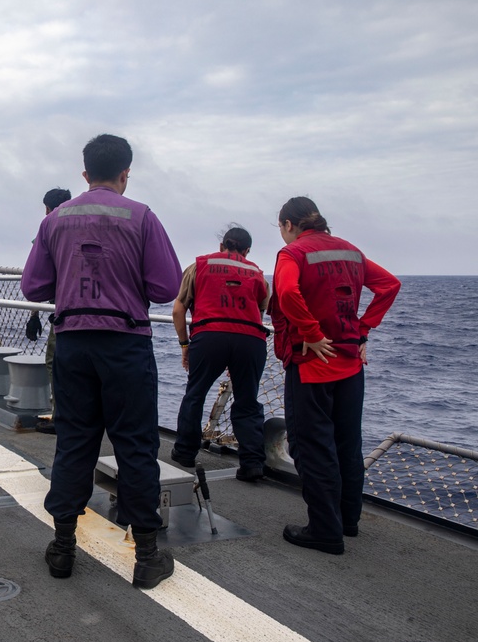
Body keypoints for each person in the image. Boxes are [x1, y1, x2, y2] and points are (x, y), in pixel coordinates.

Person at [21, 134, 182, 589]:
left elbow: (33, 287)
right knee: (135, 444)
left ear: (85, 173)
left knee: (74, 441)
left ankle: (62, 547)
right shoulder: (142, 216)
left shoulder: (55, 221)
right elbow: (166, 287)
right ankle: (147, 556)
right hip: (125, 345)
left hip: (72, 343)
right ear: (126, 173)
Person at [269, 196, 400, 555]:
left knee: (313, 447)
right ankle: (348, 520)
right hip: (351, 366)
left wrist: (310, 333)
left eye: (280, 228)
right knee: (347, 443)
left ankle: (325, 531)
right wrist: (363, 331)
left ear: (289, 225)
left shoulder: (292, 254)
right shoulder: (352, 252)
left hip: (312, 367)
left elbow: (285, 291)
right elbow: (390, 285)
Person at [170, 226, 270, 481]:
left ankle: (184, 453)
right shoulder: (257, 273)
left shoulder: (199, 266)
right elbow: (262, 308)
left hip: (210, 336)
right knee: (248, 401)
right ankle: (252, 464)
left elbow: (178, 310)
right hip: (250, 340)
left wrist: (185, 345)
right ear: (247, 251)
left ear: (221, 246)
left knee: (196, 393)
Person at [25, 187, 71, 435]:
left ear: (47, 208)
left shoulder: (49, 227)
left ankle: (59, 416)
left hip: (63, 311)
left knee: (54, 361)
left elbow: (37, 279)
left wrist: (33, 316)